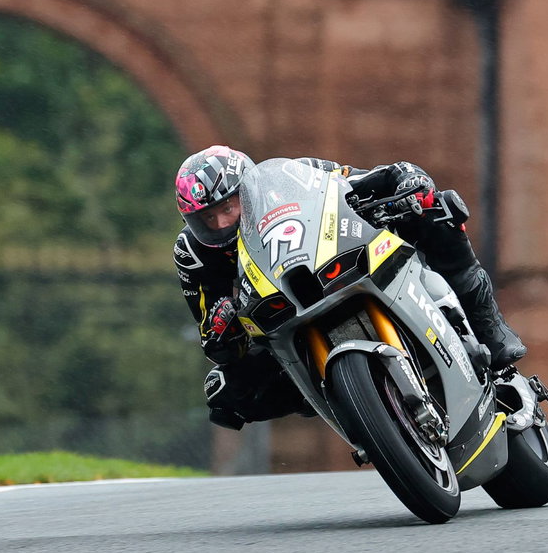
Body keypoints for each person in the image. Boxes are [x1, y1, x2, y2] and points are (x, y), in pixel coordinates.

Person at [172, 144, 527, 431]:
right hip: (279, 313)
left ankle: (490, 330)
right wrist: (222, 324)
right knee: (225, 392)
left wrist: (407, 180)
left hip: (340, 258)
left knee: (437, 208)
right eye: (207, 218)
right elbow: (212, 338)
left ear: (246, 191)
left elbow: (364, 179)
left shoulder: (294, 175)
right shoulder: (192, 253)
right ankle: (350, 404)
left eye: (228, 207)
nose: (220, 223)